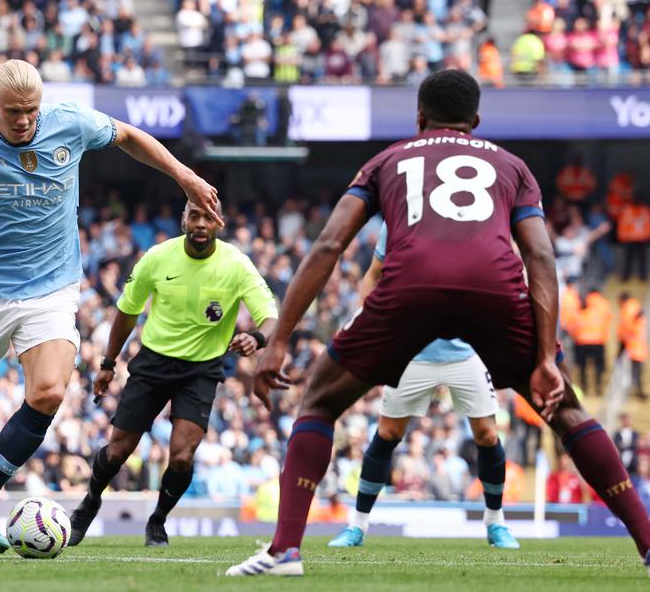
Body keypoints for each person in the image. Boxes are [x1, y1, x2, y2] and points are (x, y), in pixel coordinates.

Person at [228, 69, 650, 577]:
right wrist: (543, 359)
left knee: (318, 402)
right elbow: (539, 255)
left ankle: (285, 551)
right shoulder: (513, 167)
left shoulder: (386, 160)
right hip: (494, 288)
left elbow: (328, 245)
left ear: (419, 117)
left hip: (410, 287)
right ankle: (647, 545)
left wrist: (279, 340)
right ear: (475, 120)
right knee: (569, 416)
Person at [0, 59, 219, 555]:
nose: (24, 122)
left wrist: (184, 176)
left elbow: (130, 136)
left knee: (50, 391)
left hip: (51, 291)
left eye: (31, 111)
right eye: (13, 112)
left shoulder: (70, 122)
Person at [67, 199, 278, 548]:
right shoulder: (157, 257)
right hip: (153, 363)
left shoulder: (237, 265)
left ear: (219, 223)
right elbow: (127, 311)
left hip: (201, 369)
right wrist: (107, 364)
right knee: (118, 451)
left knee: (181, 456)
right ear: (183, 219)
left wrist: (256, 338)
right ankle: (90, 500)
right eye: (193, 216)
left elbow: (270, 317)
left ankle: (158, 521)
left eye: (207, 218)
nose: (200, 224)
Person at [327, 221, 518, 550]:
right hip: (412, 349)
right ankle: (356, 526)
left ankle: (495, 523)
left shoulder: (477, 219)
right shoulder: (402, 218)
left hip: (466, 351)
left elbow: (504, 275)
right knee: (387, 433)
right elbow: (375, 273)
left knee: (487, 433)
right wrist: (364, 323)